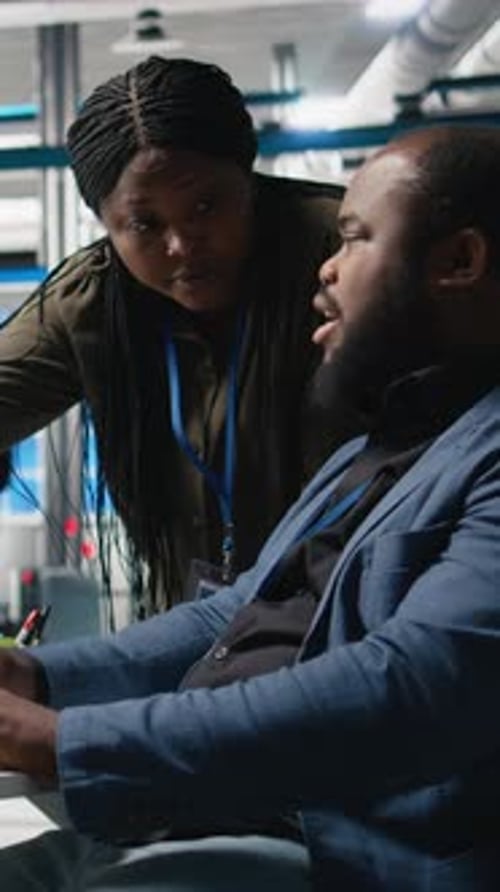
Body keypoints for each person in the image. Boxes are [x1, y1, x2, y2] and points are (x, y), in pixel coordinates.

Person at [2, 123, 500, 892]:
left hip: (338, 849)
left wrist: (65, 742)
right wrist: (34, 677)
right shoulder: (377, 451)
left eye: (356, 238)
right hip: (211, 812)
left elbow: (415, 687)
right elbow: (235, 614)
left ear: (460, 261)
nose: (326, 267)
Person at [0, 55, 353, 614]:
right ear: (106, 223)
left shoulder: (344, 255)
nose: (183, 246)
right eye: (145, 224)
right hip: (192, 639)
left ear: (249, 181)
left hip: (355, 616)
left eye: (207, 206)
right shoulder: (91, 300)